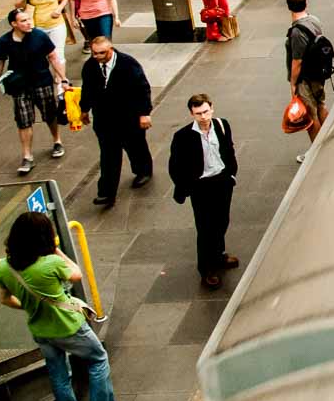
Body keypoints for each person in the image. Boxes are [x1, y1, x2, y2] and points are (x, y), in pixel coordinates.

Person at [0, 212, 127, 401]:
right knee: (98, 360)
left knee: (59, 376)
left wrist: (29, 306)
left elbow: (4, 299)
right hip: (68, 327)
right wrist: (56, 249)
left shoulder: (5, 267)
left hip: (40, 330)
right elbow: (76, 274)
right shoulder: (50, 263)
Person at [168, 94, 238, 290]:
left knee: (222, 220)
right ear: (192, 114)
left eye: (206, 111)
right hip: (201, 186)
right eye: (198, 113)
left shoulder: (222, 125)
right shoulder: (182, 136)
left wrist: (231, 173)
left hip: (222, 181)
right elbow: (175, 166)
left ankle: (219, 254)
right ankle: (207, 269)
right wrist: (187, 187)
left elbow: (228, 149)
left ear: (212, 108)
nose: (203, 116)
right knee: (206, 227)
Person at [78, 37, 152, 207]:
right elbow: (87, 89)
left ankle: (143, 170)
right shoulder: (90, 66)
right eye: (94, 53)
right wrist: (84, 110)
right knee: (108, 156)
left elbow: (142, 88)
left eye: (102, 53)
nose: (97, 56)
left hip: (129, 117)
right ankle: (106, 193)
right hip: (104, 120)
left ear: (111, 49)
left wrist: (144, 113)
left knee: (135, 147)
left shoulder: (127, 64)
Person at [286, 0, 331, 157]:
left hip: (305, 78)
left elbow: (297, 61)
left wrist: (293, 83)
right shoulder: (314, 20)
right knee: (321, 104)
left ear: (289, 8)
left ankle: (316, 153)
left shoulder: (297, 32)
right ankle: (328, 141)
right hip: (319, 73)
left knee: (310, 115)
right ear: (306, 4)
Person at [13, 0, 75, 64]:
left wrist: (59, 9)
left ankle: (60, 79)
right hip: (36, 26)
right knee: (40, 54)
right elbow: (17, 5)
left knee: (58, 54)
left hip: (56, 24)